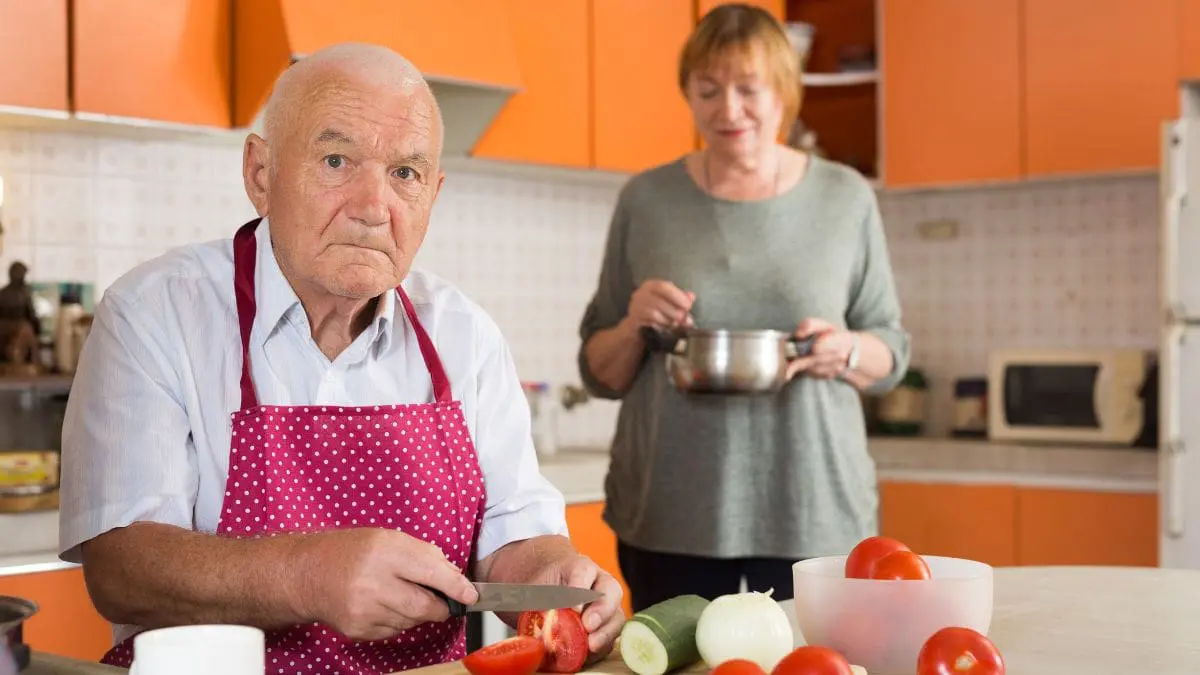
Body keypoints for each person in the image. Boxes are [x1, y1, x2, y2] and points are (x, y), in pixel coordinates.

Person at [58, 42, 623, 673]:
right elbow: (121, 569)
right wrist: (308, 575)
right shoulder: (154, 313)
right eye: (336, 160)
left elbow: (514, 532)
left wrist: (555, 578)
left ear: (433, 194)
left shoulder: (465, 334)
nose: (373, 208)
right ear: (261, 174)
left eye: (405, 174)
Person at [576, 4, 911, 613]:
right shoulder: (646, 200)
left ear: (784, 92)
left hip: (813, 509)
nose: (728, 110)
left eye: (748, 89)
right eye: (708, 90)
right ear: (688, 95)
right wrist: (633, 325)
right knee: (673, 657)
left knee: (811, 657)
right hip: (671, 510)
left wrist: (847, 350)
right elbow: (599, 370)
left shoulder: (845, 198)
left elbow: (890, 351)